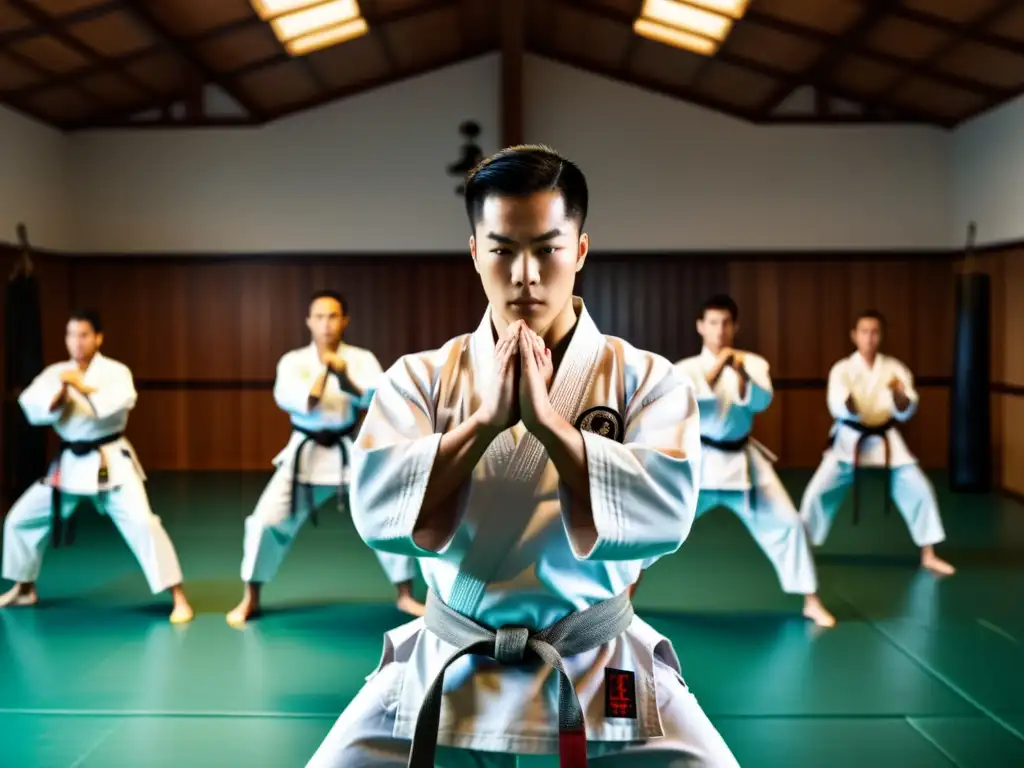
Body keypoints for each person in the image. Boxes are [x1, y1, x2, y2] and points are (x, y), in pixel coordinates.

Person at [305, 145, 738, 767]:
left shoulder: (646, 379)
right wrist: (482, 425)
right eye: (503, 249)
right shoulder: (419, 379)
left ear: (580, 251)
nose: (525, 274)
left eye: (547, 248)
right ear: (476, 253)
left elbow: (666, 516)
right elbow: (377, 512)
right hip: (450, 660)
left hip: (595, 660)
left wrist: (552, 427)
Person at [227, 291, 425, 627]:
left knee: (389, 516)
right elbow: (302, 402)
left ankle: (405, 594)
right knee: (264, 521)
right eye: (319, 317)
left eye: (333, 316)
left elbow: (373, 400)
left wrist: (345, 375)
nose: (326, 324)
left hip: (351, 451)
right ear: (308, 321)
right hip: (305, 452)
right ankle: (251, 597)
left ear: (345, 321)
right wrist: (325, 369)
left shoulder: (361, 359)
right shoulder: (293, 362)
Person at [649, 295, 834, 628]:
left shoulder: (753, 363)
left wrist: (741, 375)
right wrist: (719, 369)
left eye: (726, 323)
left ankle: (811, 600)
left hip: (744, 461)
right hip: (700, 463)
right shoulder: (685, 368)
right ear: (701, 327)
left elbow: (761, 402)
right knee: (657, 524)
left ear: (735, 327)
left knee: (788, 523)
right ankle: (620, 599)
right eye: (713, 323)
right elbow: (688, 405)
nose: (719, 331)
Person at [0, 310, 193, 623]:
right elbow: (36, 409)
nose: (76, 342)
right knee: (19, 519)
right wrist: (63, 389)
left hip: (110, 461)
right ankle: (24, 588)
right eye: (71, 335)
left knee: (143, 524)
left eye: (84, 334)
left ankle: (178, 596)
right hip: (68, 467)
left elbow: (117, 404)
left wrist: (82, 386)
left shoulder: (116, 372)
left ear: (98, 338)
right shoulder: (56, 373)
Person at [799, 310, 955, 576]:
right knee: (817, 492)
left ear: (880, 336)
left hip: (886, 439)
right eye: (864, 332)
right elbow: (838, 404)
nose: (869, 338)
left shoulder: (895, 369)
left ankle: (929, 553)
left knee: (919, 488)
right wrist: (848, 402)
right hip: (850, 438)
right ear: (854, 335)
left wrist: (898, 394)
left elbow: (906, 409)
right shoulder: (843, 369)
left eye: (874, 332)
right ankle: (801, 550)